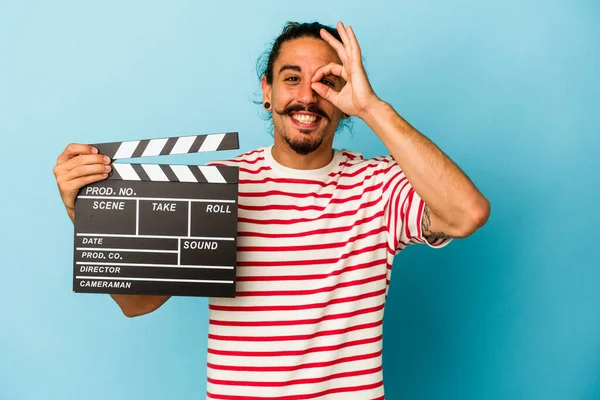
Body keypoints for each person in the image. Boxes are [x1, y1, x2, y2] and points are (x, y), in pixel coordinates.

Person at [53, 21, 489, 399]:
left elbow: (466, 213)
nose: (308, 96)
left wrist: (372, 108)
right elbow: (138, 303)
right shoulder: (220, 187)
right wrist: (87, 217)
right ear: (267, 90)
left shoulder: (381, 186)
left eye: (327, 82)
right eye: (292, 78)